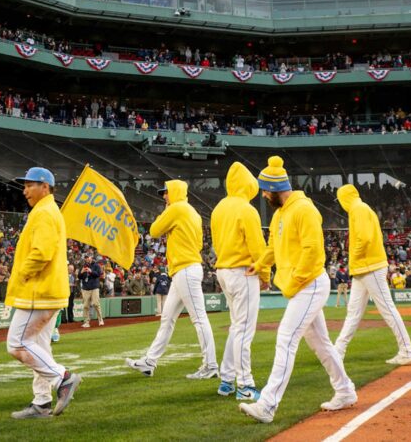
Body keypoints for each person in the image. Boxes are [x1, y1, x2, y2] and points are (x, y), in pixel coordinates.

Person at [240, 156, 356, 424]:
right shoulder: (281, 213)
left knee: (286, 339)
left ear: (275, 187)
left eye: (266, 190)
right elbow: (272, 247)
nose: (264, 194)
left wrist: (293, 282)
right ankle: (345, 390)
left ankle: (267, 404)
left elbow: (314, 252)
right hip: (303, 285)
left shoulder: (303, 209)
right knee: (322, 345)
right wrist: (259, 265)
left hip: (310, 284)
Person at [5, 167, 81, 419]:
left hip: (39, 291)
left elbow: (42, 252)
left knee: (17, 344)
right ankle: (41, 403)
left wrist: (21, 273)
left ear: (45, 187)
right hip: (49, 290)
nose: (25, 190)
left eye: (30, 184)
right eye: (24, 185)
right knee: (39, 347)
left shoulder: (45, 212)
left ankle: (63, 379)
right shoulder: (46, 210)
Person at [126, 180, 218, 379]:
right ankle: (150, 361)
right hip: (185, 269)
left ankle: (211, 365)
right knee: (167, 318)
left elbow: (154, 230)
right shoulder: (191, 211)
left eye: (166, 193)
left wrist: (167, 209)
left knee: (199, 318)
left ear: (174, 192)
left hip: (185, 269)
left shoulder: (176, 208)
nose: (164, 197)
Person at [333, 184, 411, 365]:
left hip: (370, 266)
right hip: (364, 268)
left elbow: (364, 239)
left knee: (387, 308)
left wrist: (353, 259)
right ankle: (338, 350)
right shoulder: (360, 208)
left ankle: (407, 351)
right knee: (353, 312)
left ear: (344, 197)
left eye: (340, 199)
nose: (339, 204)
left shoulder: (358, 209)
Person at [211, 162, 267, 401]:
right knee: (244, 329)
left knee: (237, 327)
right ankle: (245, 385)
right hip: (244, 271)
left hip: (223, 270)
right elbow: (258, 247)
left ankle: (227, 380)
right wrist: (265, 274)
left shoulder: (218, 208)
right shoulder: (247, 209)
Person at [79, 254, 104, 328]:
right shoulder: (83, 266)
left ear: (91, 258)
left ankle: (100, 320)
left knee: (96, 304)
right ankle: (86, 322)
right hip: (85, 288)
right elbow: (79, 277)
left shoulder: (96, 265)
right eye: (86, 258)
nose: (87, 259)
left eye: (88, 257)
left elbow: (98, 274)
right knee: (86, 306)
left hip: (94, 287)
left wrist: (91, 271)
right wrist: (82, 272)